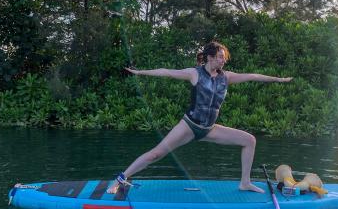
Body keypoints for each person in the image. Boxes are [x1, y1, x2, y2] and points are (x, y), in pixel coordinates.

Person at [107, 41, 292, 194]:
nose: (223, 61)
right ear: (210, 57)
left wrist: (277, 79)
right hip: (188, 126)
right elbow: (166, 71)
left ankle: (245, 182)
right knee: (156, 153)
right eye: (220, 57)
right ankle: (120, 179)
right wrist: (140, 73)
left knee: (249, 140)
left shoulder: (226, 77)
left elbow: (253, 76)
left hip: (209, 129)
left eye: (224, 57)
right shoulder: (194, 73)